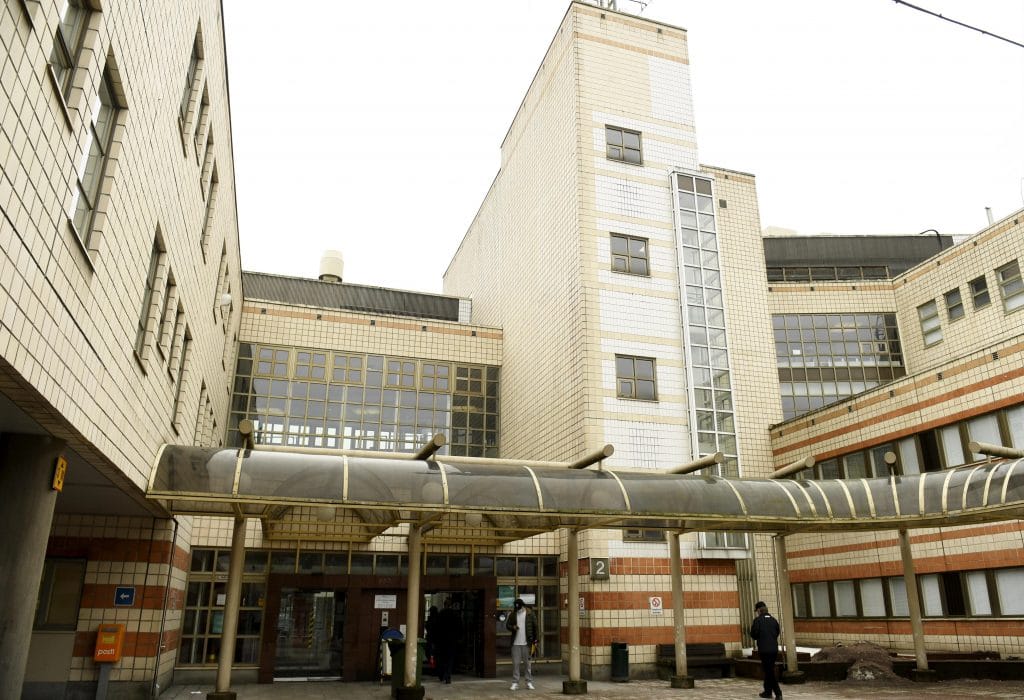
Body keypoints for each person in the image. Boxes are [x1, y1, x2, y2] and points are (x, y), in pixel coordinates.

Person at [750, 600, 782, 700]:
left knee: (769, 672)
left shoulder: (757, 621)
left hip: (764, 650)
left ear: (759, 610)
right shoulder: (774, 620)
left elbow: (754, 634)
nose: (757, 613)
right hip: (774, 650)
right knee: (769, 670)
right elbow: (777, 632)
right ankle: (767, 692)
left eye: (757, 611)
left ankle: (778, 693)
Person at [505, 597, 538, 690]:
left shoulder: (530, 614)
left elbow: (535, 627)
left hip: (527, 643)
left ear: (523, 606)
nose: (518, 609)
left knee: (528, 664)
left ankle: (529, 682)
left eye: (519, 608)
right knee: (516, 664)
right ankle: (515, 682)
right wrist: (513, 627)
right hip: (515, 643)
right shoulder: (513, 614)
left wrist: (536, 640)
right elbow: (507, 625)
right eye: (516, 608)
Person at [434, 599, 461, 684]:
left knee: (441, 658)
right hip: (452, 640)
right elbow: (459, 627)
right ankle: (448, 676)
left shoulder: (440, 614)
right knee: (450, 659)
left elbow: (436, 627)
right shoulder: (455, 615)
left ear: (444, 604)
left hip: (441, 640)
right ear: (451, 605)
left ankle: (441, 674)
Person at [424, 605, 439, 676]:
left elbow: (428, 628)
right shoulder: (437, 619)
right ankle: (434, 668)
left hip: (432, 639)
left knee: (431, 655)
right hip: (434, 640)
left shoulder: (432, 620)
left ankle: (433, 668)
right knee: (433, 655)